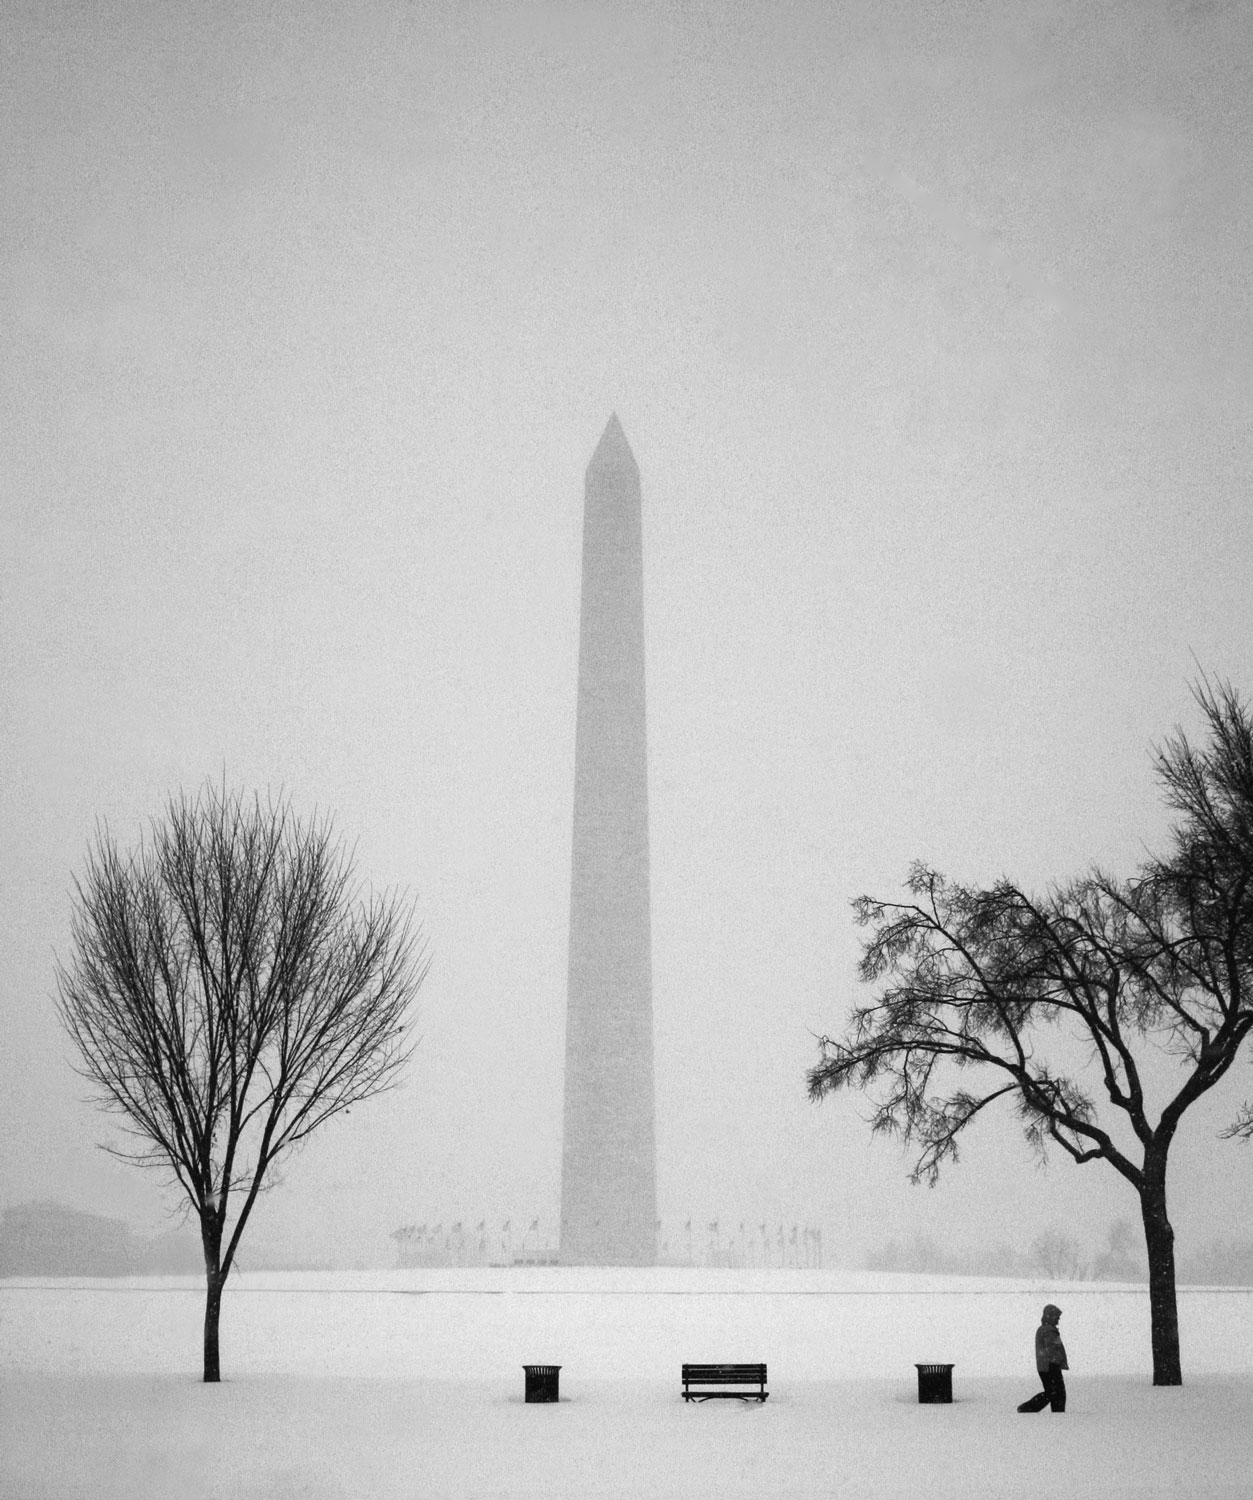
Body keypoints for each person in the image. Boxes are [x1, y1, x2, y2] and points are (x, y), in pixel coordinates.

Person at [1017, 1303, 1067, 1412]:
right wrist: (1058, 1360)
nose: (1058, 1319)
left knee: (1052, 1393)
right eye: (1057, 1317)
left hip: (1045, 1366)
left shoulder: (1046, 1329)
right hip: (1050, 1366)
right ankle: (1056, 1414)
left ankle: (1029, 1408)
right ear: (1051, 1316)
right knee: (1056, 1393)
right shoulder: (1048, 1330)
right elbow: (1052, 1349)